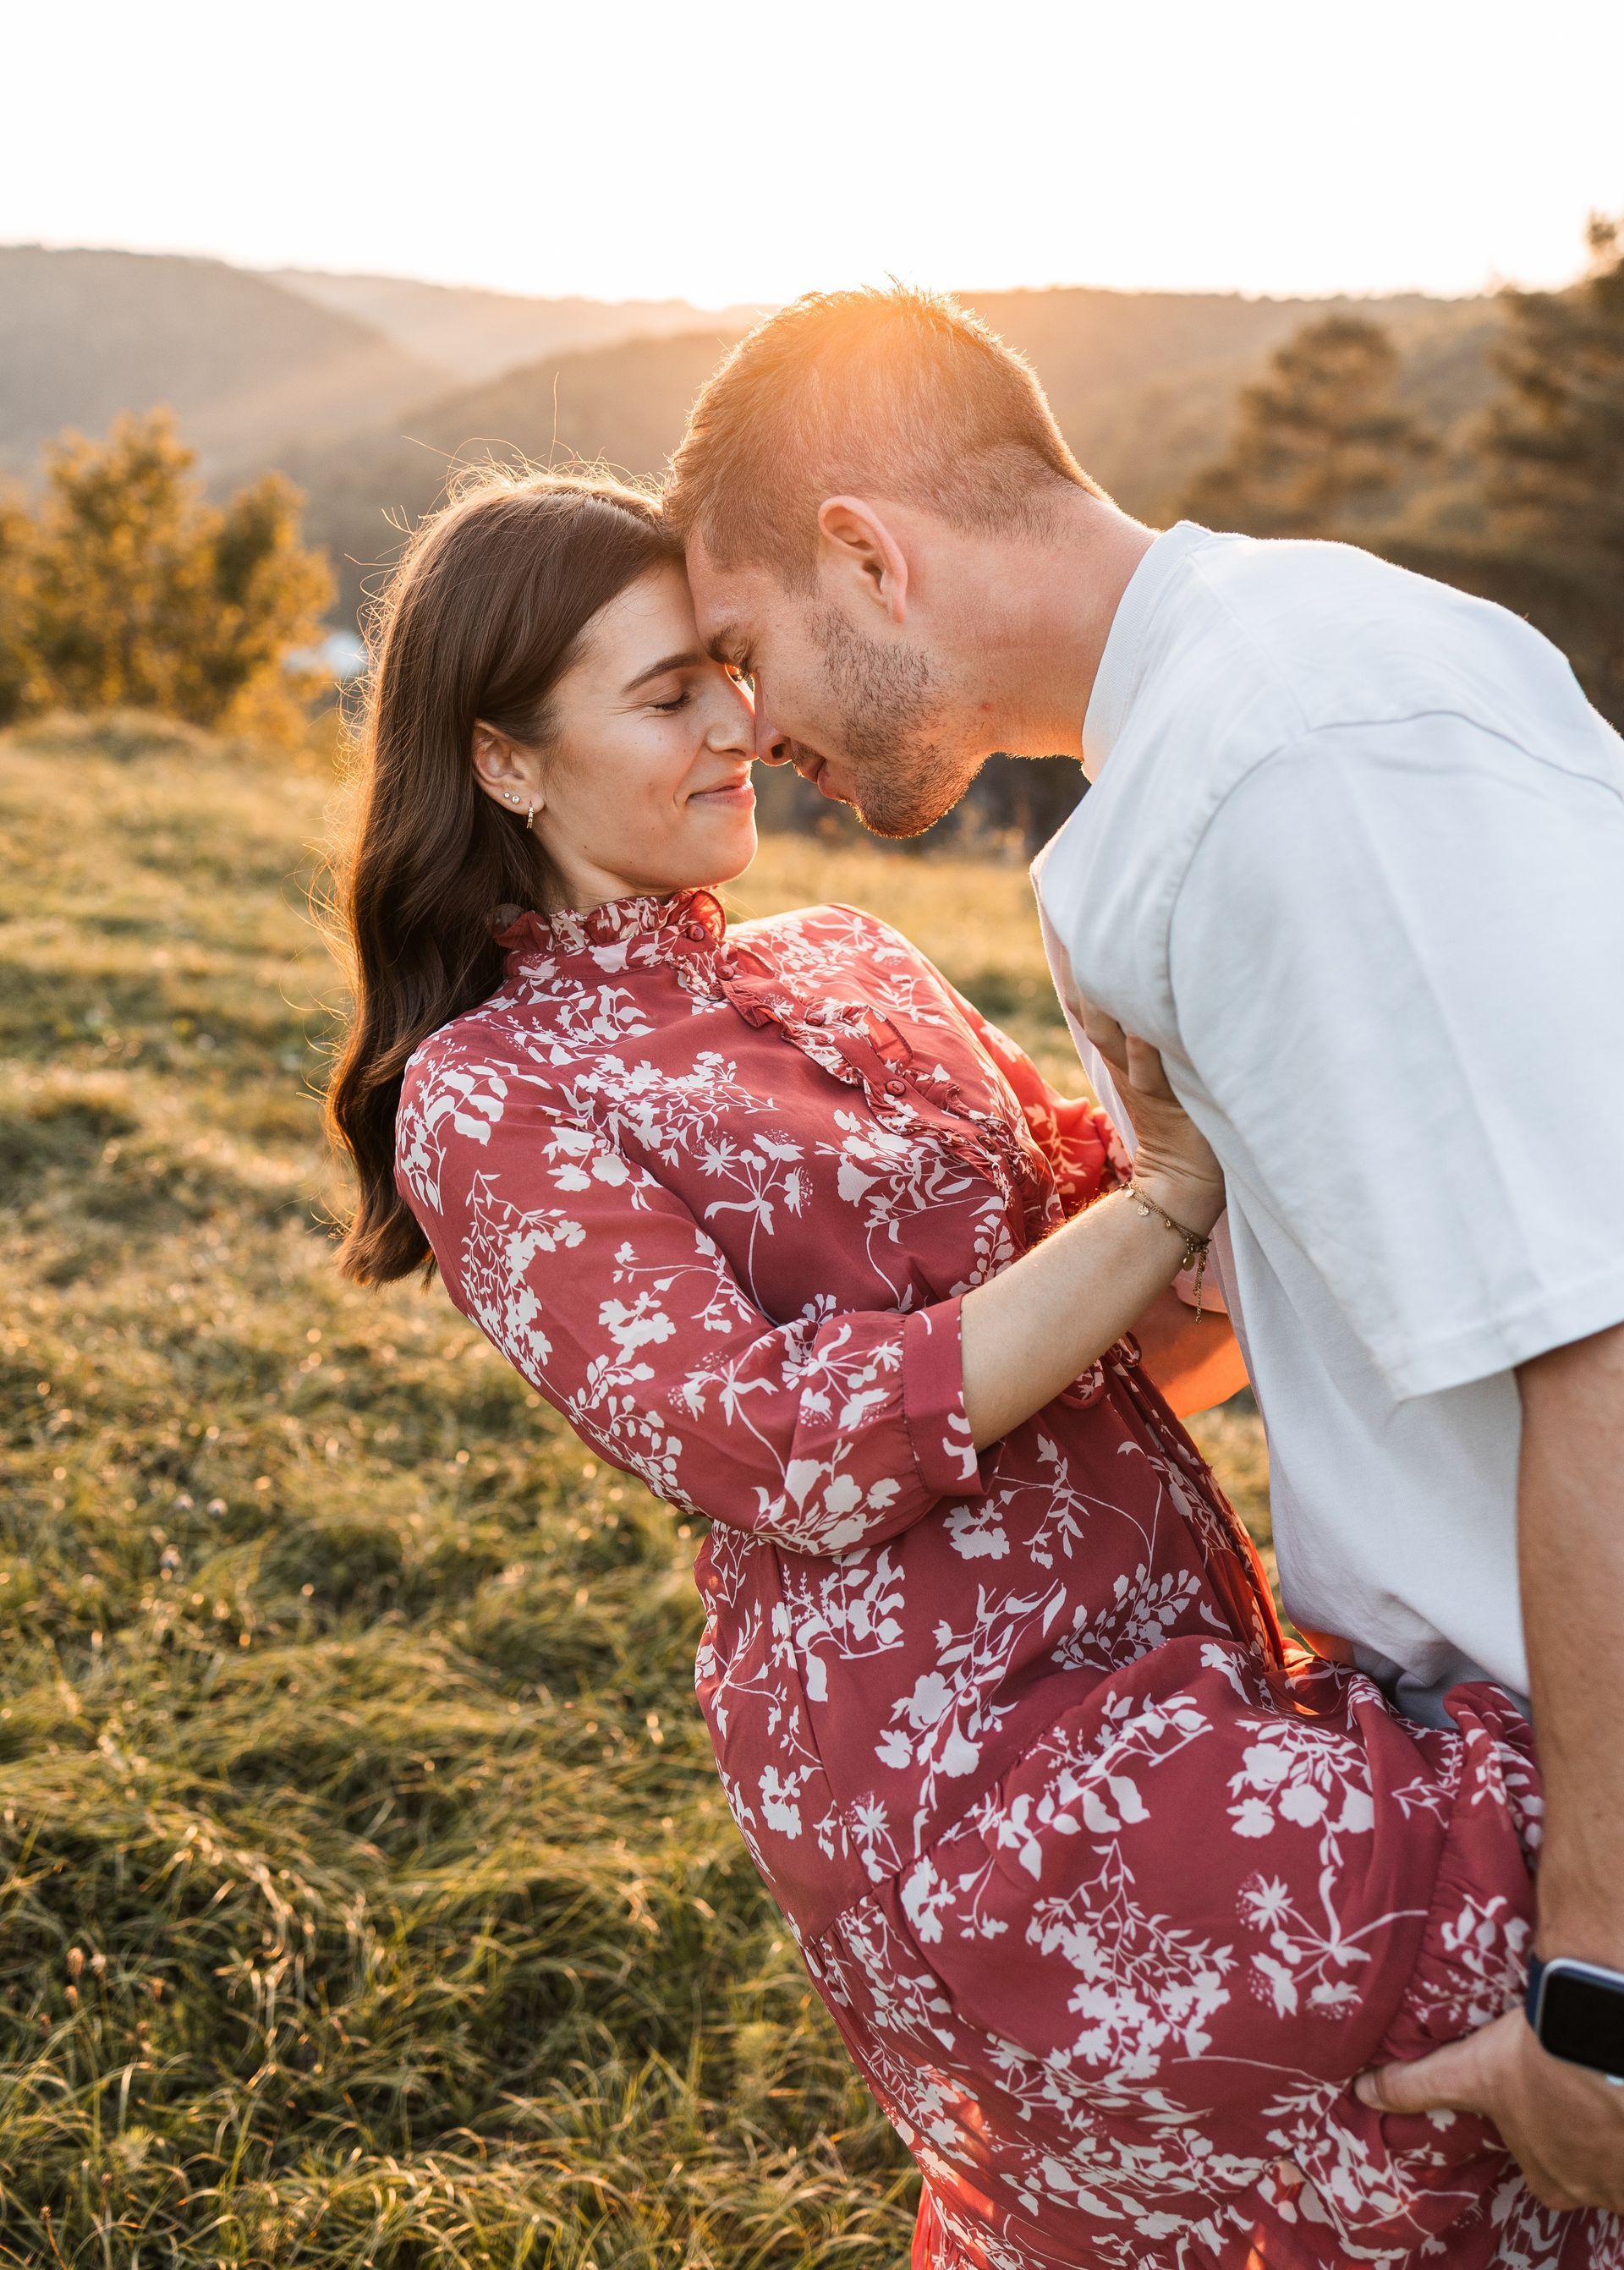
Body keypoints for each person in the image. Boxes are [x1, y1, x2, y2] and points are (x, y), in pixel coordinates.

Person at [328, 471, 1616, 2269]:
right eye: (665, 696)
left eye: (725, 667)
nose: (739, 726)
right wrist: (1168, 1191)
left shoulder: (854, 958)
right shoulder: (490, 1094)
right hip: (961, 1758)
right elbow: (775, 1450)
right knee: (1546, 1892)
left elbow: (1149, 1312)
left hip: (1192, 1654)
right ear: (505, 762)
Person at [665, 284, 1624, 2216]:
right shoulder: (1200, 752)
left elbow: (1598, 1341)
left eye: (746, 652)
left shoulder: (1298, 762)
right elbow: (1323, 1306)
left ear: (870, 551)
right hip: (1476, 1797)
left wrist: (1601, 1992)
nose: (748, 737)